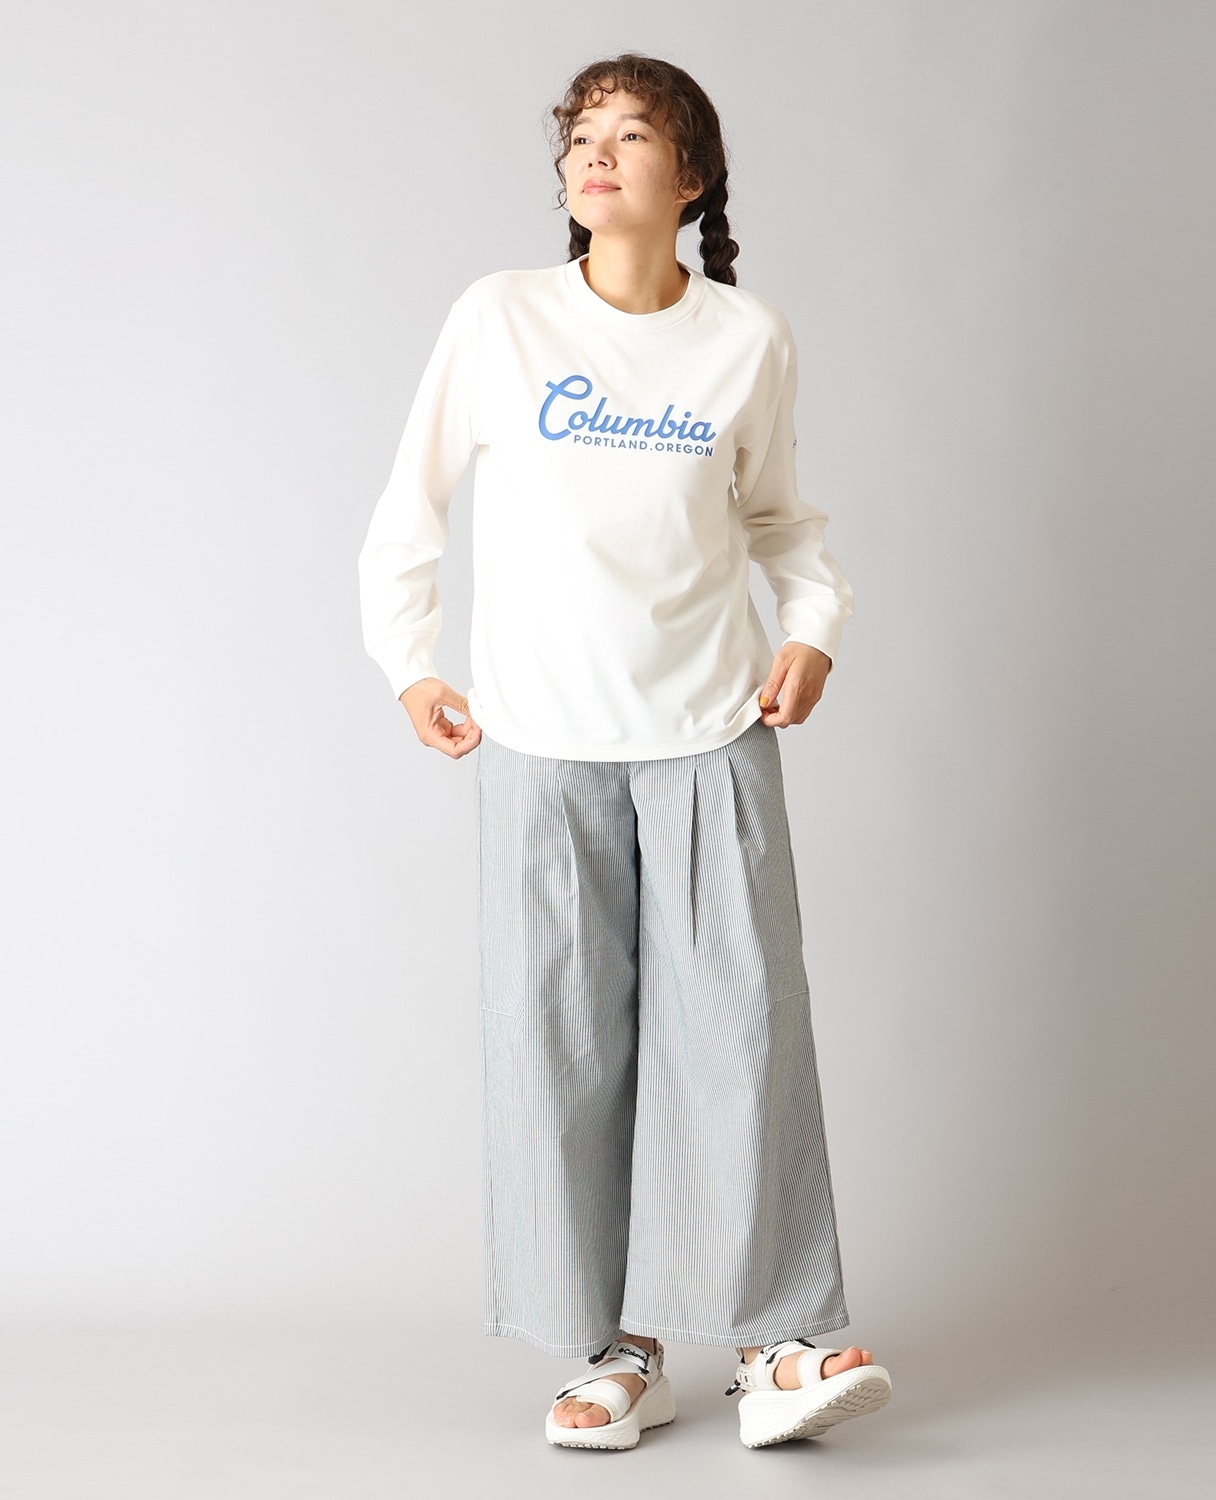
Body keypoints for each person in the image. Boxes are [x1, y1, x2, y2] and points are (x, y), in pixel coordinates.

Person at [357, 52, 892, 1452]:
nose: (594, 154)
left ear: (692, 176)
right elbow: (408, 511)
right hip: (539, 746)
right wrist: (410, 665)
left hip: (710, 732)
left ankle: (779, 1344)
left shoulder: (746, 337)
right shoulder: (500, 318)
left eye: (632, 133)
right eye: (580, 134)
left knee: (744, 1041)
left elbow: (782, 523)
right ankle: (613, 1350)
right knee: (563, 1051)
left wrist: (813, 631)